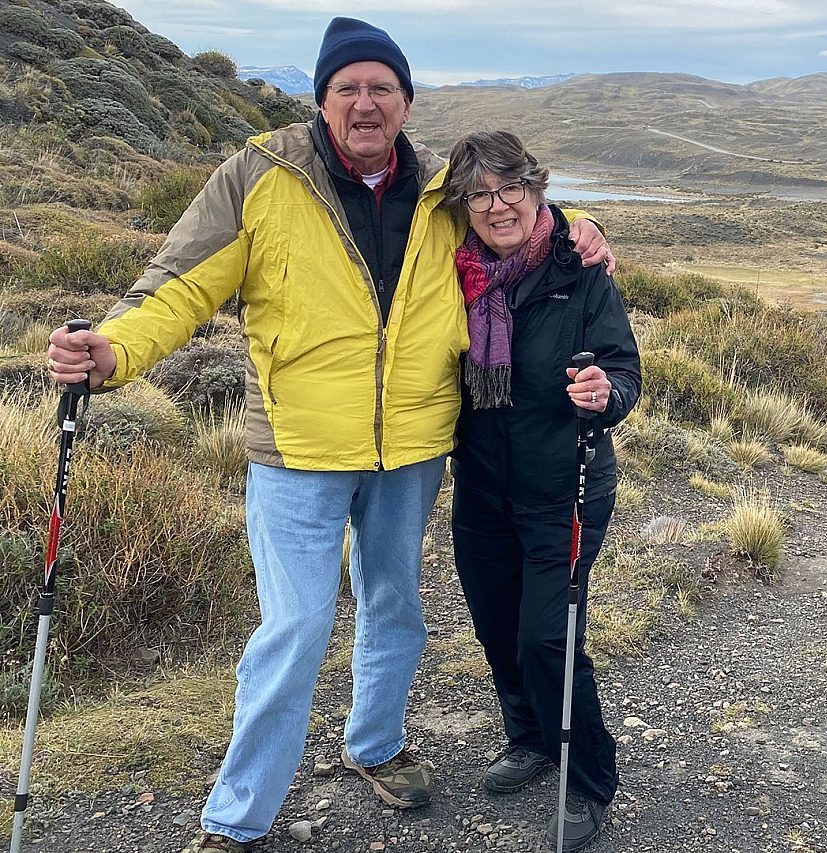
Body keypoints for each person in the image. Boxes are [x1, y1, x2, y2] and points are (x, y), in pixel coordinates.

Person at [45, 19, 611, 853]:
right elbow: (178, 284)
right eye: (347, 87)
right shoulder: (261, 175)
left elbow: (516, 220)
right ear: (322, 99)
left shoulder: (438, 190)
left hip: (412, 445)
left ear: (408, 102)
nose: (366, 102)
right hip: (297, 447)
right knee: (296, 627)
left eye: (383, 87)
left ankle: (376, 745)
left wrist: (581, 225)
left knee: (397, 609)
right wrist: (115, 349)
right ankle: (236, 818)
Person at [442, 131, 640, 853]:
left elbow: (625, 371)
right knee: (497, 626)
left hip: (567, 487)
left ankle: (588, 778)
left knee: (547, 637)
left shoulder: (579, 267)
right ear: (463, 204)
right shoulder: (452, 270)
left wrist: (604, 393)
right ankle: (527, 737)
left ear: (536, 188)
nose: (497, 206)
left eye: (510, 189)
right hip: (483, 486)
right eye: (480, 193)